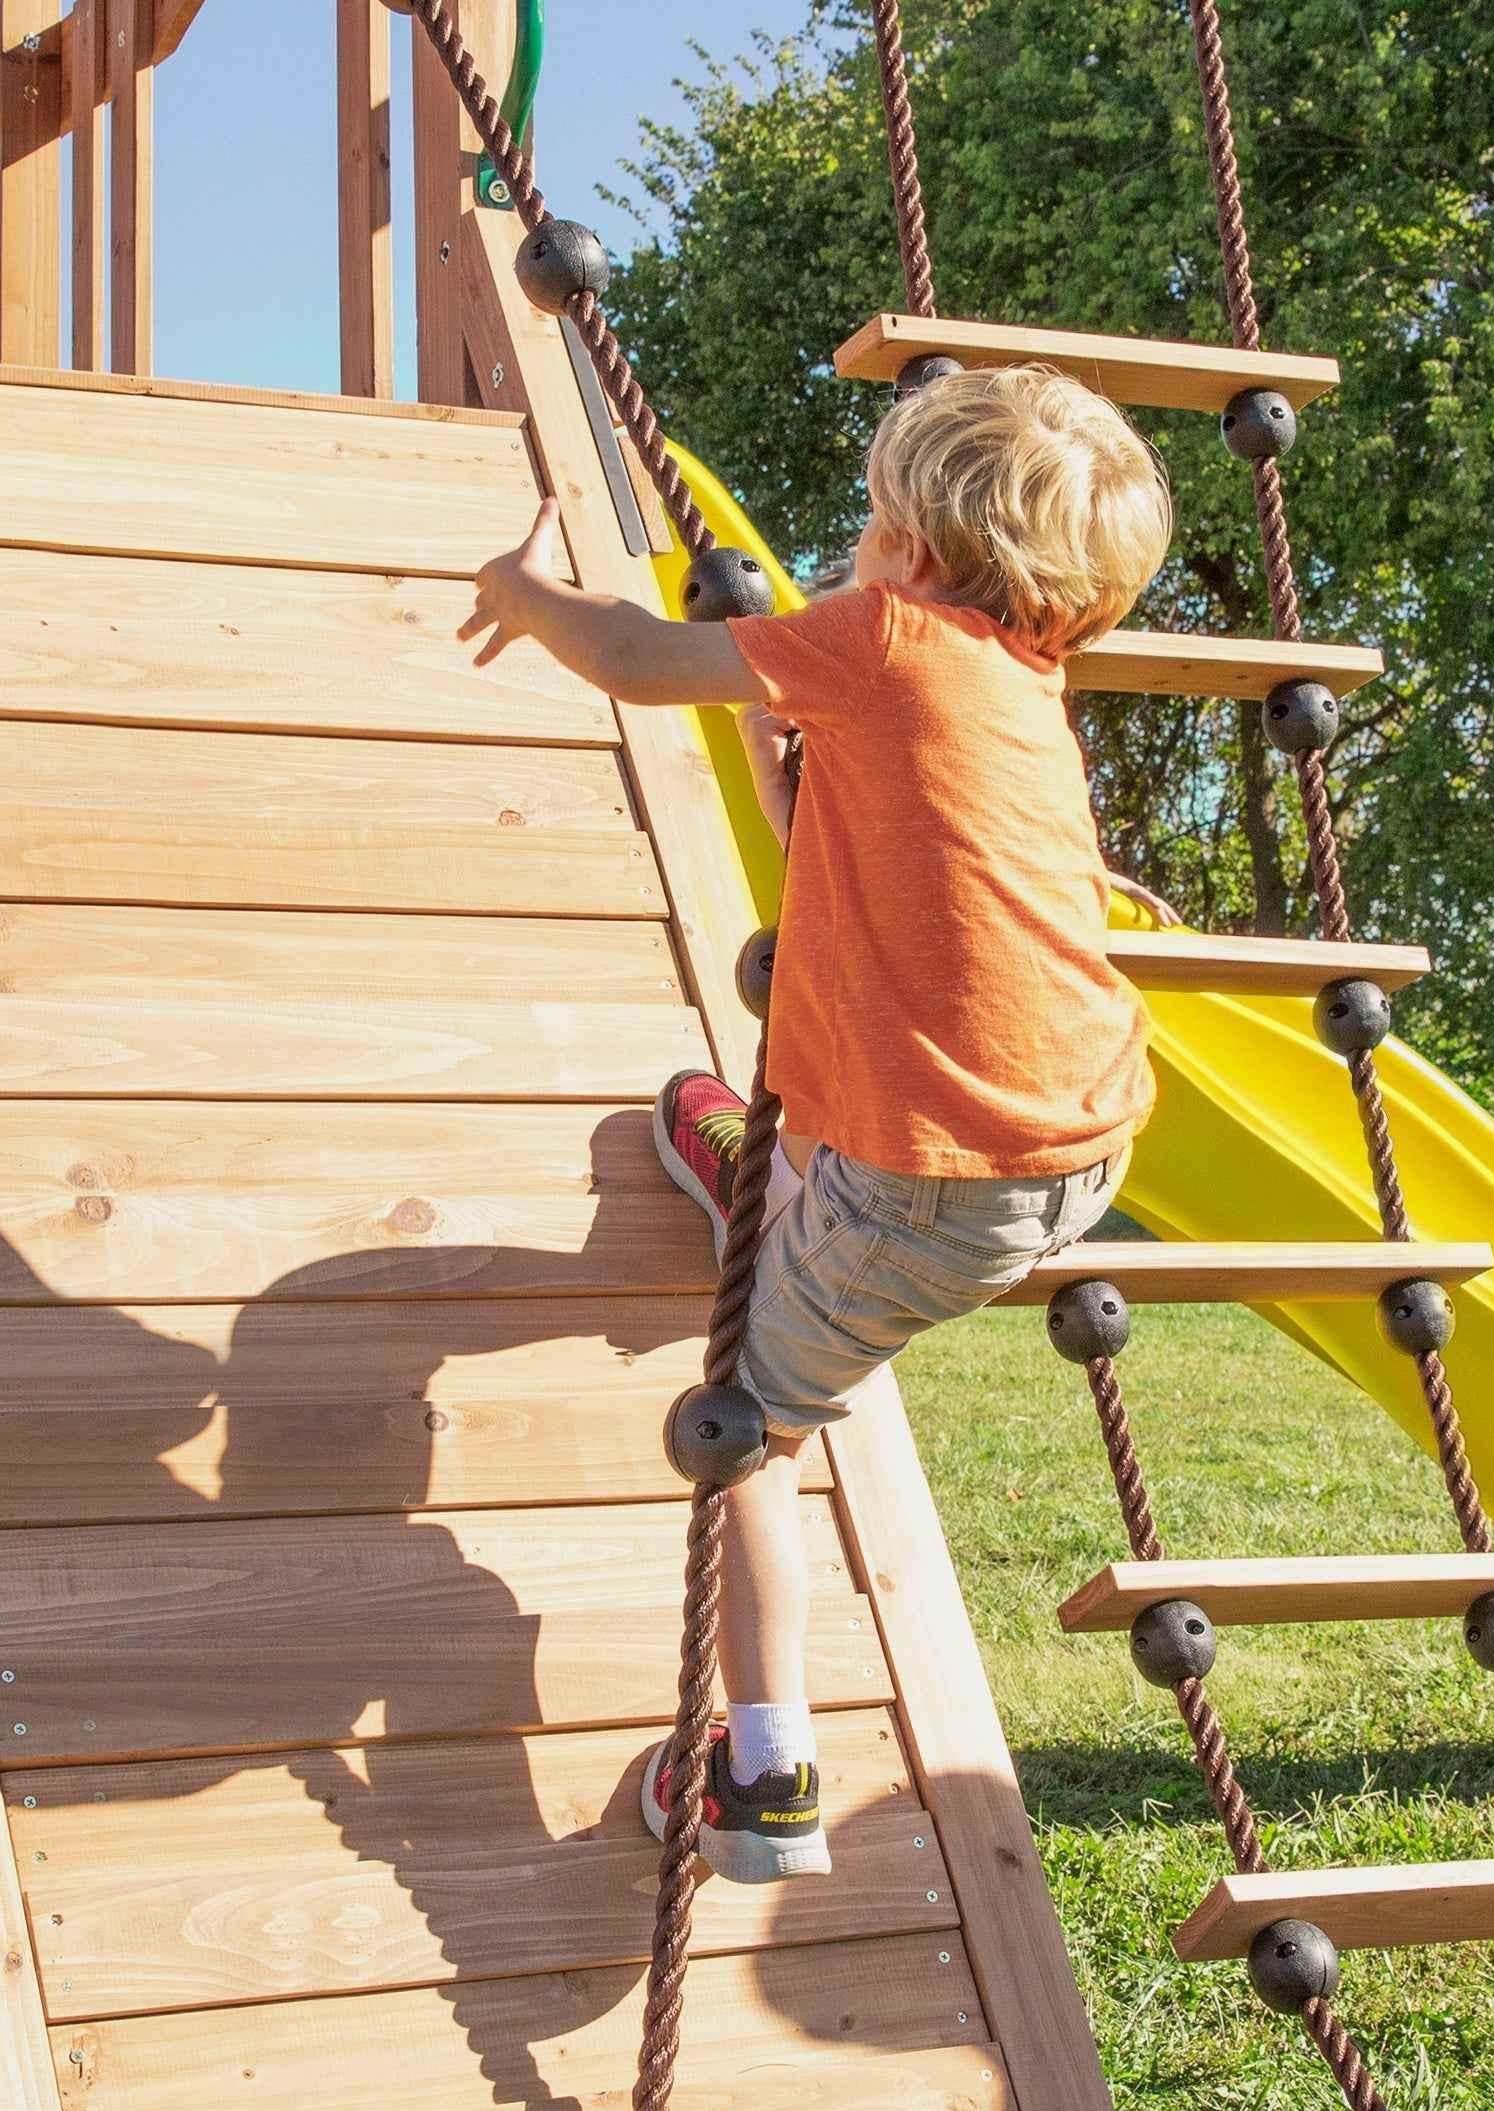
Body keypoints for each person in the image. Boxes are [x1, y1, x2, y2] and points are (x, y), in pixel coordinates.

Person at [462, 363, 1174, 1883]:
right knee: (834, 1142)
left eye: (867, 519)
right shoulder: (1022, 683)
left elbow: (639, 658)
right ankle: (770, 1175)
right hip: (1081, 1137)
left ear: (906, 544)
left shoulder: (886, 634)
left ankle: (764, 1770)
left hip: (934, 1184)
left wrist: (527, 597)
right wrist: (781, 772)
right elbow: (855, 847)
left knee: (746, 1435)